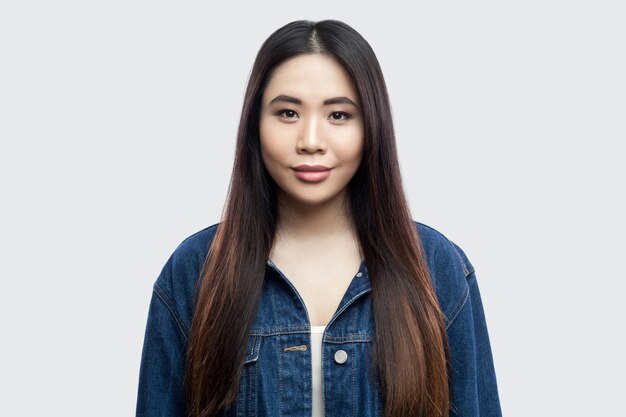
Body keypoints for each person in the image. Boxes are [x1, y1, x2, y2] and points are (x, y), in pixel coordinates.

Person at [135, 19, 502, 417]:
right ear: (255, 126)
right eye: (288, 113)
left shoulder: (436, 267)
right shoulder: (195, 270)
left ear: (372, 126)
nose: (311, 140)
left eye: (339, 115)